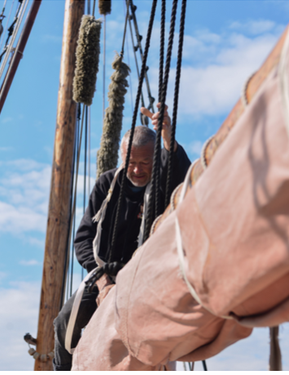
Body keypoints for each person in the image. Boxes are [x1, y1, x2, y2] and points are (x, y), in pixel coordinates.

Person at [52, 104, 190, 370]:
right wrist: (103, 283)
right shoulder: (106, 185)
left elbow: (183, 178)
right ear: (121, 156)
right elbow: (83, 239)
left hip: (147, 278)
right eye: (131, 163)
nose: (137, 170)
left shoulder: (163, 185)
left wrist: (168, 137)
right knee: (64, 323)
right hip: (105, 277)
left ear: (155, 159)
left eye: (144, 163)